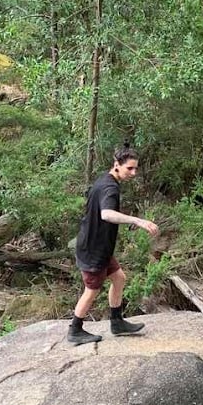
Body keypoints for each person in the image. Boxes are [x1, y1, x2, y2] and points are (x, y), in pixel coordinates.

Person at [68, 145, 159, 346]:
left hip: (98, 246)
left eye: (136, 168)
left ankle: (117, 322)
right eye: (130, 168)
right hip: (93, 250)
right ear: (117, 165)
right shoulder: (110, 187)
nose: (134, 173)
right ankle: (75, 330)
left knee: (119, 278)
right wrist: (138, 220)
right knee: (91, 290)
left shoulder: (105, 180)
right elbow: (106, 214)